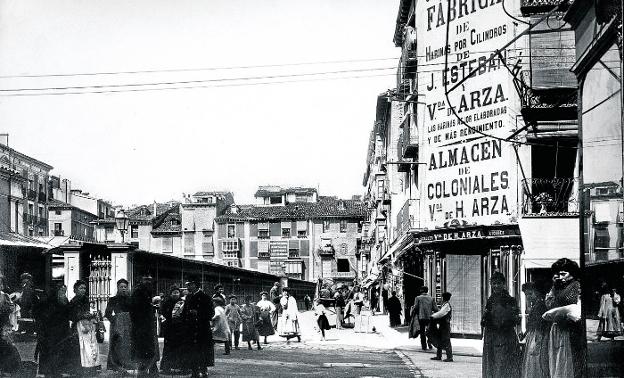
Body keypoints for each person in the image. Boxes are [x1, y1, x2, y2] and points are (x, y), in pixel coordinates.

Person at [543, 258, 585, 378]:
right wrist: (554, 288)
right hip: (557, 329)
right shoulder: (557, 287)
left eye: (564, 273)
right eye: (558, 273)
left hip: (569, 329)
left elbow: (576, 306)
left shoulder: (576, 286)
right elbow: (549, 305)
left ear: (572, 274)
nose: (560, 276)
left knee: (566, 361)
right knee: (556, 362)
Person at [481, 272, 521, 378]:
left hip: (505, 336)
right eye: (494, 283)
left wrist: (506, 321)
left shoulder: (510, 300)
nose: (496, 286)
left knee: (503, 364)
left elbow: (516, 319)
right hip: (491, 337)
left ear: (503, 284)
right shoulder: (490, 300)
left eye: (498, 283)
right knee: (491, 364)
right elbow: (485, 318)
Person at [181, 277, 215, 378]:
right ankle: (194, 371)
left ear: (196, 285)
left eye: (190, 284)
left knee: (202, 349)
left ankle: (204, 370)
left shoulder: (205, 297)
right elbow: (184, 312)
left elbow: (211, 313)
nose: (188, 286)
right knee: (192, 350)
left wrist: (198, 313)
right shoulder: (188, 297)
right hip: (190, 328)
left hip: (202, 328)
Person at [67, 280, 99, 376]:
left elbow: (90, 311)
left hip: (87, 325)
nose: (83, 290)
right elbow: (71, 316)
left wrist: (90, 315)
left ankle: (90, 366)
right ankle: (80, 368)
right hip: (78, 326)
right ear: (75, 290)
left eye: (84, 288)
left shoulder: (86, 300)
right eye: (81, 288)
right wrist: (81, 315)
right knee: (81, 347)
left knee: (90, 346)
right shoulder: (73, 301)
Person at [520, 281, 550, 378]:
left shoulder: (540, 306)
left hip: (538, 336)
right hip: (533, 336)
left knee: (535, 362)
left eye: (530, 293)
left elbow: (537, 324)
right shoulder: (535, 305)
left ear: (536, 292)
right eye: (526, 294)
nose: (528, 296)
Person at [130, 276, 159, 377]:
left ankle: (151, 370)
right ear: (141, 280)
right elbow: (135, 310)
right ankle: (143, 372)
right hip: (140, 327)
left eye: (150, 279)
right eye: (146, 279)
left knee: (149, 349)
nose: (148, 281)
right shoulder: (138, 292)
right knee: (143, 350)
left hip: (147, 326)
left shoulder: (148, 291)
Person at [104, 278, 133, 373]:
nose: (123, 289)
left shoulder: (130, 299)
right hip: (117, 324)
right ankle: (115, 365)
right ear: (117, 288)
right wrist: (115, 320)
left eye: (125, 287)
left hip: (128, 324)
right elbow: (107, 313)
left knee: (128, 344)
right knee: (117, 344)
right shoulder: (113, 299)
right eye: (121, 287)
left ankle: (127, 364)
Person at [159, 285, 186, 374]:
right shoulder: (166, 303)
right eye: (174, 292)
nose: (175, 294)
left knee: (179, 348)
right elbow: (162, 314)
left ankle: (178, 366)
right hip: (169, 329)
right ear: (170, 294)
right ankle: (166, 367)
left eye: (177, 292)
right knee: (168, 348)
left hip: (179, 329)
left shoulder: (182, 303)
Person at [0, 276, 21, 375]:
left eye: (0, 283)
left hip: (2, 325)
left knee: (6, 348)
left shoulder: (4, 296)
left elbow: (10, 309)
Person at [429, 292, 453, 362]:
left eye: (442, 297)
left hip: (445, 325)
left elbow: (441, 313)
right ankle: (439, 355)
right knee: (440, 339)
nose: (441, 299)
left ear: (444, 298)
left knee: (446, 340)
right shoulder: (445, 305)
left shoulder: (446, 305)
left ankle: (449, 357)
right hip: (443, 325)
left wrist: (433, 316)